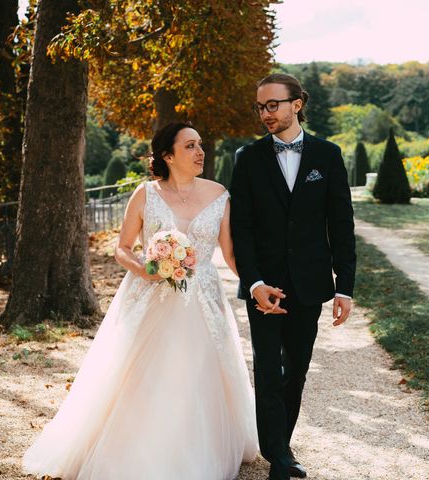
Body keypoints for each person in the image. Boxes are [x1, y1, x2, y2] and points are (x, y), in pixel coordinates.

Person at [22, 122, 258, 480]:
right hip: (151, 297)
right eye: (191, 146)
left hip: (204, 300)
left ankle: (195, 450)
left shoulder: (219, 195)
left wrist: (257, 286)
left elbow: (230, 255)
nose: (200, 153)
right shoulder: (145, 194)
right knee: (140, 373)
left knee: (198, 372)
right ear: (168, 155)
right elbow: (122, 248)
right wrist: (145, 268)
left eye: (200, 146)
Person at [229, 73, 356, 480]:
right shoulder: (247, 158)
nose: (265, 113)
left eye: (273, 105)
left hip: (309, 284)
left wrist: (345, 288)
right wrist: (253, 283)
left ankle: (279, 444)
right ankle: (279, 459)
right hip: (264, 286)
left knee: (296, 369)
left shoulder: (328, 155)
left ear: (296, 104)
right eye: (260, 107)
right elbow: (241, 230)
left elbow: (341, 225)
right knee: (267, 371)